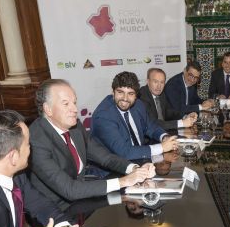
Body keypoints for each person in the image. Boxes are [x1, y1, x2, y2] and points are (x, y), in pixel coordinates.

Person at [29, 79, 154, 209]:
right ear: (48, 109)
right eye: (66, 104)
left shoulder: (75, 126)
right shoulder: (36, 141)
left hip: (84, 195)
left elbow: (106, 157)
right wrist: (124, 181)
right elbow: (70, 190)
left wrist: (135, 169)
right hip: (56, 208)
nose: (74, 109)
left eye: (74, 102)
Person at [93, 71, 179, 160]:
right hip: (112, 169)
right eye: (120, 92)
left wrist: (164, 137)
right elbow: (124, 152)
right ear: (113, 92)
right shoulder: (103, 116)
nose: (125, 98)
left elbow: (151, 126)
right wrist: (162, 147)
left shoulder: (138, 105)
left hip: (140, 159)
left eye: (130, 93)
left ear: (136, 96)